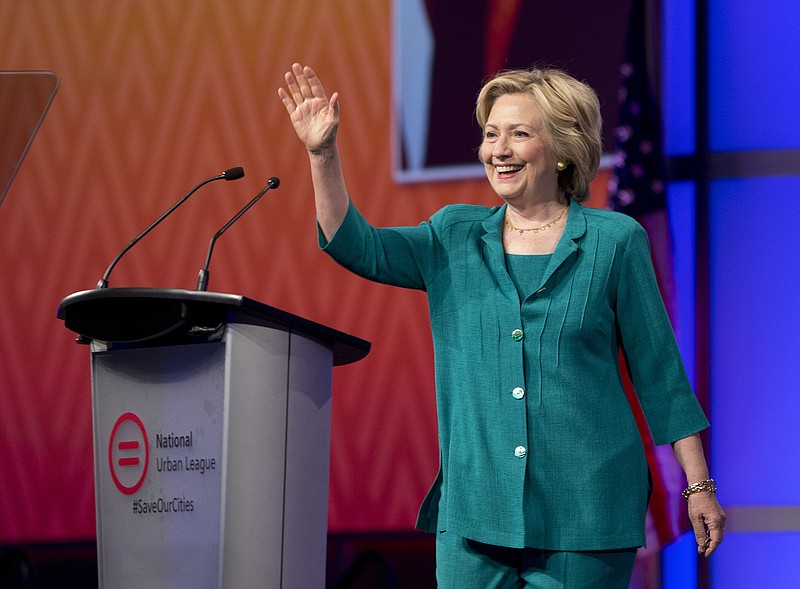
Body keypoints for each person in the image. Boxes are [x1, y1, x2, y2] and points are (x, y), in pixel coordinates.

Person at [278, 62, 725, 588]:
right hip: (475, 512)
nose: (498, 149)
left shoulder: (615, 240)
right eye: (491, 134)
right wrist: (322, 154)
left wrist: (698, 485)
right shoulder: (452, 236)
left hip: (587, 513)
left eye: (519, 133)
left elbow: (660, 375)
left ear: (562, 149)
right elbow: (357, 246)